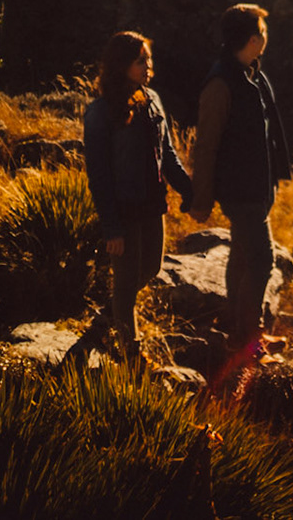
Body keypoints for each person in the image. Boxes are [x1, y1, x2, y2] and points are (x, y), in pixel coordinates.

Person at [78, 30, 192, 364]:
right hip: (123, 211)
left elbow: (168, 154)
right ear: (122, 63)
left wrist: (189, 191)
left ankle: (112, 312)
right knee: (127, 283)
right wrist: (111, 227)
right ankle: (132, 355)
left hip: (152, 205)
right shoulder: (100, 112)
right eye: (141, 59)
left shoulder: (152, 99)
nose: (148, 65)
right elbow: (98, 175)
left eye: (149, 59)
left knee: (151, 270)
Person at [186, 3, 293, 356]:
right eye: (263, 31)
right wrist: (200, 199)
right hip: (241, 191)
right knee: (263, 260)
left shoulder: (251, 73)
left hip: (257, 187)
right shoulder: (221, 83)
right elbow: (206, 146)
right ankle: (248, 338)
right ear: (253, 39)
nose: (266, 37)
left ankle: (237, 325)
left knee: (244, 256)